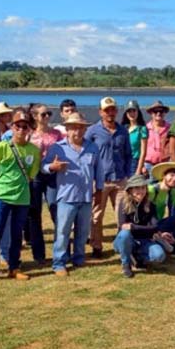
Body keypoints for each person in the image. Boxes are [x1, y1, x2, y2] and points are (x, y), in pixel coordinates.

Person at [0, 110, 39, 284]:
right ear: (12, 127)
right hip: (2, 197)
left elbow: (33, 171)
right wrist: (0, 184)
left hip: (22, 198)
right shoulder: (1, 147)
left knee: (17, 235)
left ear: (29, 129)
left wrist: (27, 179)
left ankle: (14, 267)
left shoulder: (33, 150)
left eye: (24, 127)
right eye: (18, 126)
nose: (21, 129)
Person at [44, 112, 103, 276]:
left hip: (85, 197)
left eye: (81, 128)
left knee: (83, 231)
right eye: (74, 128)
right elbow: (43, 166)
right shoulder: (57, 148)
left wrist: (99, 189)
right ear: (67, 130)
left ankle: (79, 258)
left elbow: (99, 170)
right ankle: (59, 263)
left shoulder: (92, 147)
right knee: (62, 232)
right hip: (66, 197)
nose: (77, 131)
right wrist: (52, 167)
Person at [85, 97, 132, 258]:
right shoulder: (92, 131)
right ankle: (96, 246)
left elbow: (128, 154)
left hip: (120, 179)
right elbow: (86, 153)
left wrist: (127, 175)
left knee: (123, 215)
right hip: (100, 180)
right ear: (100, 112)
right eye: (107, 110)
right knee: (97, 215)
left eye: (113, 109)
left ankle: (121, 245)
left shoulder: (123, 131)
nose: (110, 113)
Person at [114, 174, 175, 278]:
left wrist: (133, 227)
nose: (141, 191)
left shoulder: (151, 205)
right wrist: (146, 229)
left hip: (144, 240)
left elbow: (155, 227)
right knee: (125, 234)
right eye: (137, 188)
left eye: (143, 188)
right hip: (126, 240)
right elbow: (122, 227)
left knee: (159, 256)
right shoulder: (123, 203)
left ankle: (137, 258)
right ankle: (126, 264)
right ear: (130, 190)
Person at [26, 103, 63, 265]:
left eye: (49, 113)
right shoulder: (28, 135)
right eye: (43, 114)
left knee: (56, 211)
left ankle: (61, 251)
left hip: (52, 176)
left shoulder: (57, 134)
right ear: (35, 117)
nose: (47, 117)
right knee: (34, 215)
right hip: (34, 177)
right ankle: (38, 254)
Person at [122, 99, 148, 176]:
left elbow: (143, 152)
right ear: (126, 114)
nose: (132, 113)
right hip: (123, 161)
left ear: (138, 112)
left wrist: (139, 170)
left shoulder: (142, 129)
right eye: (129, 111)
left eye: (134, 111)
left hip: (134, 162)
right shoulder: (123, 128)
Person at [144, 100, 171, 174]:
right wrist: (142, 166)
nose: (158, 113)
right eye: (156, 111)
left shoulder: (170, 128)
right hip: (147, 165)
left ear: (164, 113)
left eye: (161, 111)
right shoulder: (145, 128)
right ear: (151, 113)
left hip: (164, 165)